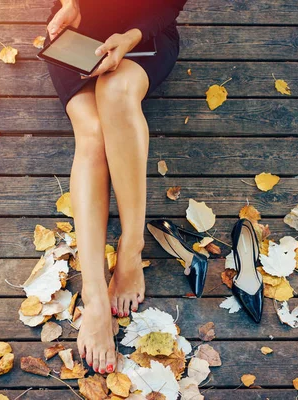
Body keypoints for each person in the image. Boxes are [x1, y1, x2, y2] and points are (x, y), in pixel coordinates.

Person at [44, 0, 188, 374]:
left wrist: (130, 36)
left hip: (144, 33)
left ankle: (131, 246)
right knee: (91, 133)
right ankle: (94, 296)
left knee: (116, 94)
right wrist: (70, 4)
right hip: (76, 35)